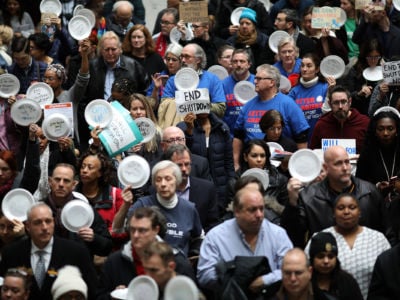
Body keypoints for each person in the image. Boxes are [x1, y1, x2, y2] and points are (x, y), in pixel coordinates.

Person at [197, 176, 293, 296]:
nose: (259, 215)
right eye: (252, 210)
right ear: (237, 211)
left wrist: (264, 280)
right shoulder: (216, 237)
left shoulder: (277, 234)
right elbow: (204, 275)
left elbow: (291, 270)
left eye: (261, 209)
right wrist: (237, 279)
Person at [282, 145, 384, 248]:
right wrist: (292, 203)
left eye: (347, 162)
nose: (345, 168)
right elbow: (294, 238)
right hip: (325, 257)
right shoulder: (308, 197)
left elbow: (386, 232)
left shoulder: (370, 192)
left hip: (365, 255)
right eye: (338, 163)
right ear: (326, 168)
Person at [0, 203, 98, 300]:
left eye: (48, 221)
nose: (44, 227)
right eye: (38, 222)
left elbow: (92, 291)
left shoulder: (76, 252)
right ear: (28, 227)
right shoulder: (11, 253)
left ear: (54, 223)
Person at [304, 193, 390, 299]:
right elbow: (305, 272)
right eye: (341, 208)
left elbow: (390, 273)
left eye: (352, 207)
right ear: (333, 213)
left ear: (360, 212)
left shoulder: (378, 239)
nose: (346, 212)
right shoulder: (320, 238)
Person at [98, 207, 195, 300]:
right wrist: (111, 297)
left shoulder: (177, 262)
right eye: (132, 230)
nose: (136, 235)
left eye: (142, 230)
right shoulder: (114, 261)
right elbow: (98, 296)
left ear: (156, 230)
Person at [113, 160, 204, 256]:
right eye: (158, 180)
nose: (163, 184)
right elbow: (117, 229)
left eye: (168, 179)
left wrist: (192, 258)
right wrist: (126, 205)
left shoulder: (189, 208)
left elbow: (199, 237)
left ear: (177, 181)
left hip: (178, 266)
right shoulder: (143, 204)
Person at [80, 30, 149, 150]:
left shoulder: (133, 66)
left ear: (120, 49)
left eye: (113, 49)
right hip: (97, 120)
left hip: (124, 122)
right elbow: (83, 96)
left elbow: (144, 93)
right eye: (106, 50)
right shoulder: (92, 66)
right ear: (101, 50)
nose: (110, 53)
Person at [233, 64, 310, 171]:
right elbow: (238, 136)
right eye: (255, 78)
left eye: (259, 79)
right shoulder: (248, 105)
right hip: (252, 164)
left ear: (272, 82)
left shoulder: (287, 104)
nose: (255, 81)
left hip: (279, 165)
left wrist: (301, 166)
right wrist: (236, 163)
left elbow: (301, 136)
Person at [42, 163, 113, 257]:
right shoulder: (39, 210)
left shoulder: (85, 210)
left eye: (66, 181)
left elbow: (107, 247)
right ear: (50, 181)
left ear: (74, 184)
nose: (61, 184)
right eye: (57, 179)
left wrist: (94, 238)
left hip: (78, 267)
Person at [177, 109, 235, 215]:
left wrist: (232, 185)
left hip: (221, 186)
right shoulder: (182, 127)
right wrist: (189, 132)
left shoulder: (221, 127)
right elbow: (182, 155)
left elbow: (229, 161)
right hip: (196, 185)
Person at [226, 140, 289, 224]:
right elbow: (231, 212)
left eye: (262, 156)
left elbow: (287, 212)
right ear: (245, 157)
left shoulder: (280, 180)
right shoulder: (234, 182)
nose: (259, 160)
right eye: (254, 156)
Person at [161, 43, 227, 119]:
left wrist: (197, 106)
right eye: (181, 56)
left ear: (198, 60)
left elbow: (221, 108)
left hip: (204, 125)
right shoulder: (173, 80)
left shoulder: (212, 79)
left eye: (187, 57)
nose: (183, 60)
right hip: (179, 127)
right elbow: (164, 105)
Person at [162, 144, 219, 232]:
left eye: (187, 164)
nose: (184, 169)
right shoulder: (159, 190)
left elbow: (213, 224)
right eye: (179, 165)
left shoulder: (207, 189)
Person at [75, 151, 126, 248]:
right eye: (82, 166)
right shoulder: (72, 195)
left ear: (100, 173)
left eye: (90, 167)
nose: (84, 170)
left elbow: (125, 229)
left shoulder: (116, 195)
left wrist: (103, 236)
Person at [309, 85, 370, 153]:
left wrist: (361, 158)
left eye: (343, 102)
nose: (340, 106)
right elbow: (313, 153)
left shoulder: (364, 123)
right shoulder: (321, 124)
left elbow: (373, 152)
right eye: (336, 103)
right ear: (329, 104)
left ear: (350, 102)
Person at [288, 52, 335, 138]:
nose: (304, 69)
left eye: (309, 66)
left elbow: (328, 113)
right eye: (302, 66)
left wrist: (330, 92)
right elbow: (290, 116)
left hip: (322, 135)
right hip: (300, 138)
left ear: (317, 69)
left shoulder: (326, 88)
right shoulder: (294, 91)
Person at [356, 109, 400, 199]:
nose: (385, 133)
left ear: (397, 131)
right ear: (375, 132)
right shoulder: (367, 153)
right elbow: (359, 184)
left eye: (390, 129)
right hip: (374, 203)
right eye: (380, 129)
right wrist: (376, 187)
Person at [308, 231, 363, 300]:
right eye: (321, 256)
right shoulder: (305, 282)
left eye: (330, 256)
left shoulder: (347, 282)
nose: (326, 261)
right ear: (312, 258)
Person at [342, 38, 384, 115]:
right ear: (364, 56)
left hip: (380, 112)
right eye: (370, 57)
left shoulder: (385, 68)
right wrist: (359, 94)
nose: (373, 60)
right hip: (360, 112)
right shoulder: (355, 70)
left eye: (376, 56)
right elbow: (346, 95)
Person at [0, 124, 40, 201]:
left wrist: (32, 140)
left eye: (5, 169)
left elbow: (32, 169)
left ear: (12, 171)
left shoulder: (19, 185)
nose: (0, 173)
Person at [227, 8, 275, 72]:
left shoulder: (264, 40)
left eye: (247, 23)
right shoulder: (232, 41)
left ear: (254, 26)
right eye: (241, 23)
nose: (244, 26)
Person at [222, 49, 255, 136]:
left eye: (242, 61)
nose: (238, 65)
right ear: (231, 64)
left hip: (253, 134)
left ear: (249, 64)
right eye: (235, 61)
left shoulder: (257, 82)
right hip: (230, 135)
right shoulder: (223, 84)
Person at [146, 43, 182, 107]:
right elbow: (151, 105)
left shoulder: (186, 77)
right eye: (168, 59)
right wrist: (156, 89)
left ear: (181, 61)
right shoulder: (159, 77)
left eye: (174, 60)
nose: (170, 62)